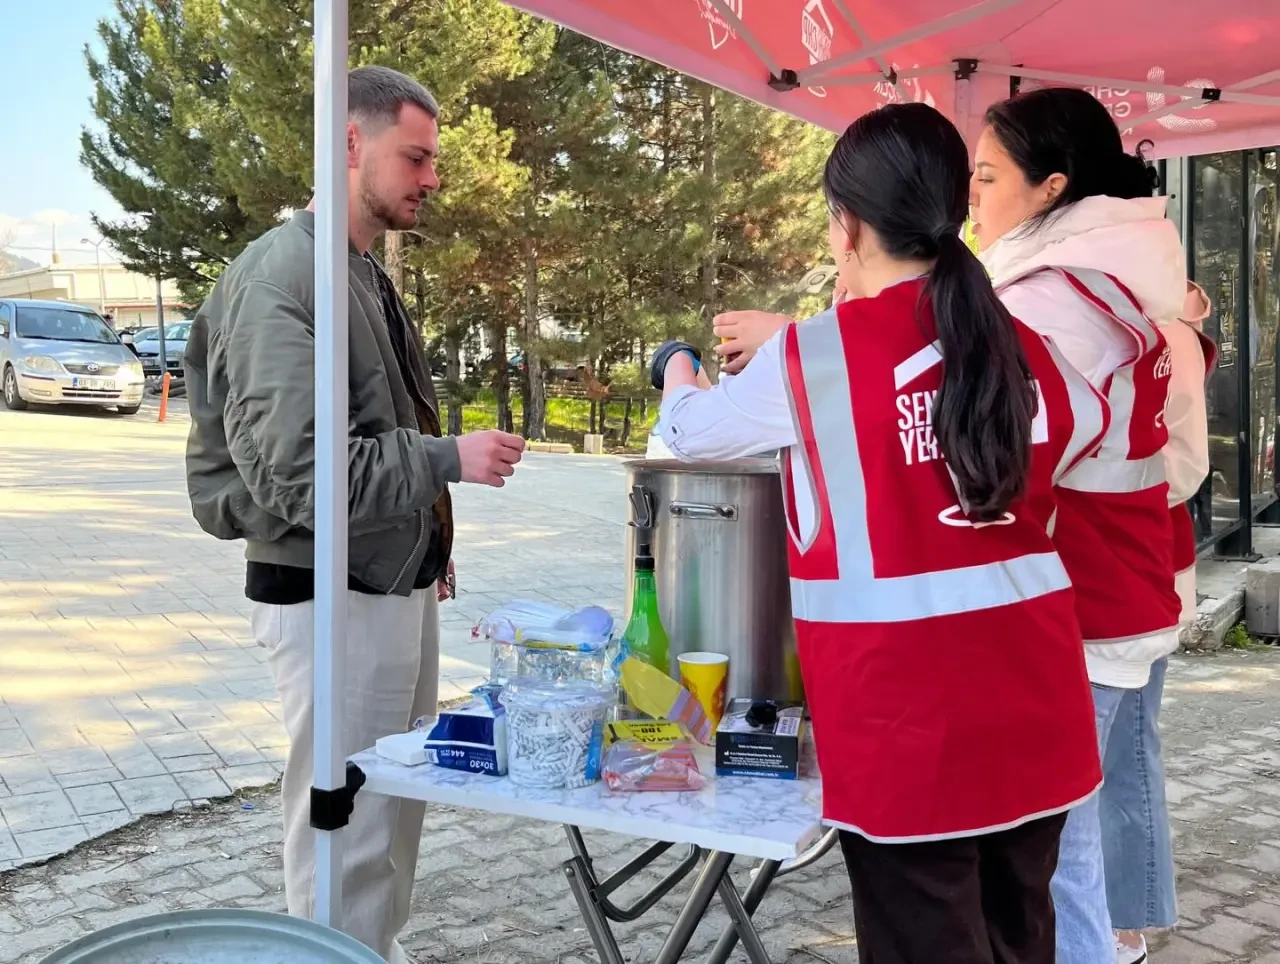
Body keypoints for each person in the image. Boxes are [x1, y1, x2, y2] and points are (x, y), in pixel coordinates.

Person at [650, 102, 1106, 964]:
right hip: (1035, 705)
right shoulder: (1022, 342)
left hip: (906, 726)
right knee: (1020, 940)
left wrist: (678, 365)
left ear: (846, 224)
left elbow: (689, 433)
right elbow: (1081, 432)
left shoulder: (813, 356)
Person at [184, 65, 525, 962]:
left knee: (382, 807)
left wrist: (428, 538)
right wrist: (450, 460)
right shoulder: (282, 280)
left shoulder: (357, 271)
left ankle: (365, 952)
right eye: (415, 156)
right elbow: (304, 476)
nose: (432, 178)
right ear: (348, 143)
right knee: (342, 812)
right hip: (325, 587)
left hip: (380, 579)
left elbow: (370, 430)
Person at [970, 87, 1202, 964]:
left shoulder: (1054, 301)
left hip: (1083, 603)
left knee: (1051, 859)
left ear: (1052, 187)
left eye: (988, 177)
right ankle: (1123, 938)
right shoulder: (1127, 283)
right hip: (1127, 588)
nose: (973, 199)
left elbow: (1012, 464)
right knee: (1080, 831)